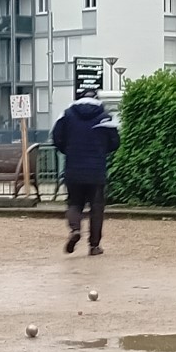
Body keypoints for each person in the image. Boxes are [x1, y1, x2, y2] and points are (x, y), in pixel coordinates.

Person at [52, 89, 120, 256]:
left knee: (74, 203)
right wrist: (101, 151)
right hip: (96, 169)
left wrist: (68, 150)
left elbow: (57, 137)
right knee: (96, 208)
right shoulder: (105, 117)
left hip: (73, 167)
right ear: (96, 98)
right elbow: (115, 142)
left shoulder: (67, 115)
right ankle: (94, 246)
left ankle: (75, 229)